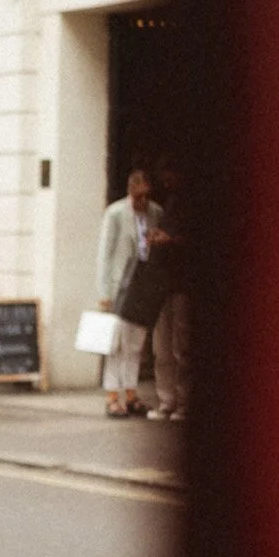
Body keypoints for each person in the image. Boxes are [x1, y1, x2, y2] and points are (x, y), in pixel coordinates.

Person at [95, 166, 163, 416]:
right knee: (116, 343)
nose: (142, 201)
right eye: (138, 196)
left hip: (143, 284)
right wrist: (104, 291)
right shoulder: (114, 214)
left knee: (135, 343)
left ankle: (131, 394)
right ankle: (112, 396)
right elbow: (104, 254)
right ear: (129, 192)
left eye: (146, 195)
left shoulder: (156, 212)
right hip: (120, 284)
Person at [146, 163, 190, 421]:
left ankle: (183, 402)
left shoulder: (188, 205)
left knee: (180, 347)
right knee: (162, 346)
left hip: (182, 283)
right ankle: (167, 400)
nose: (164, 178)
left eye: (168, 172)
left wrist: (169, 239)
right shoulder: (166, 205)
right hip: (165, 283)